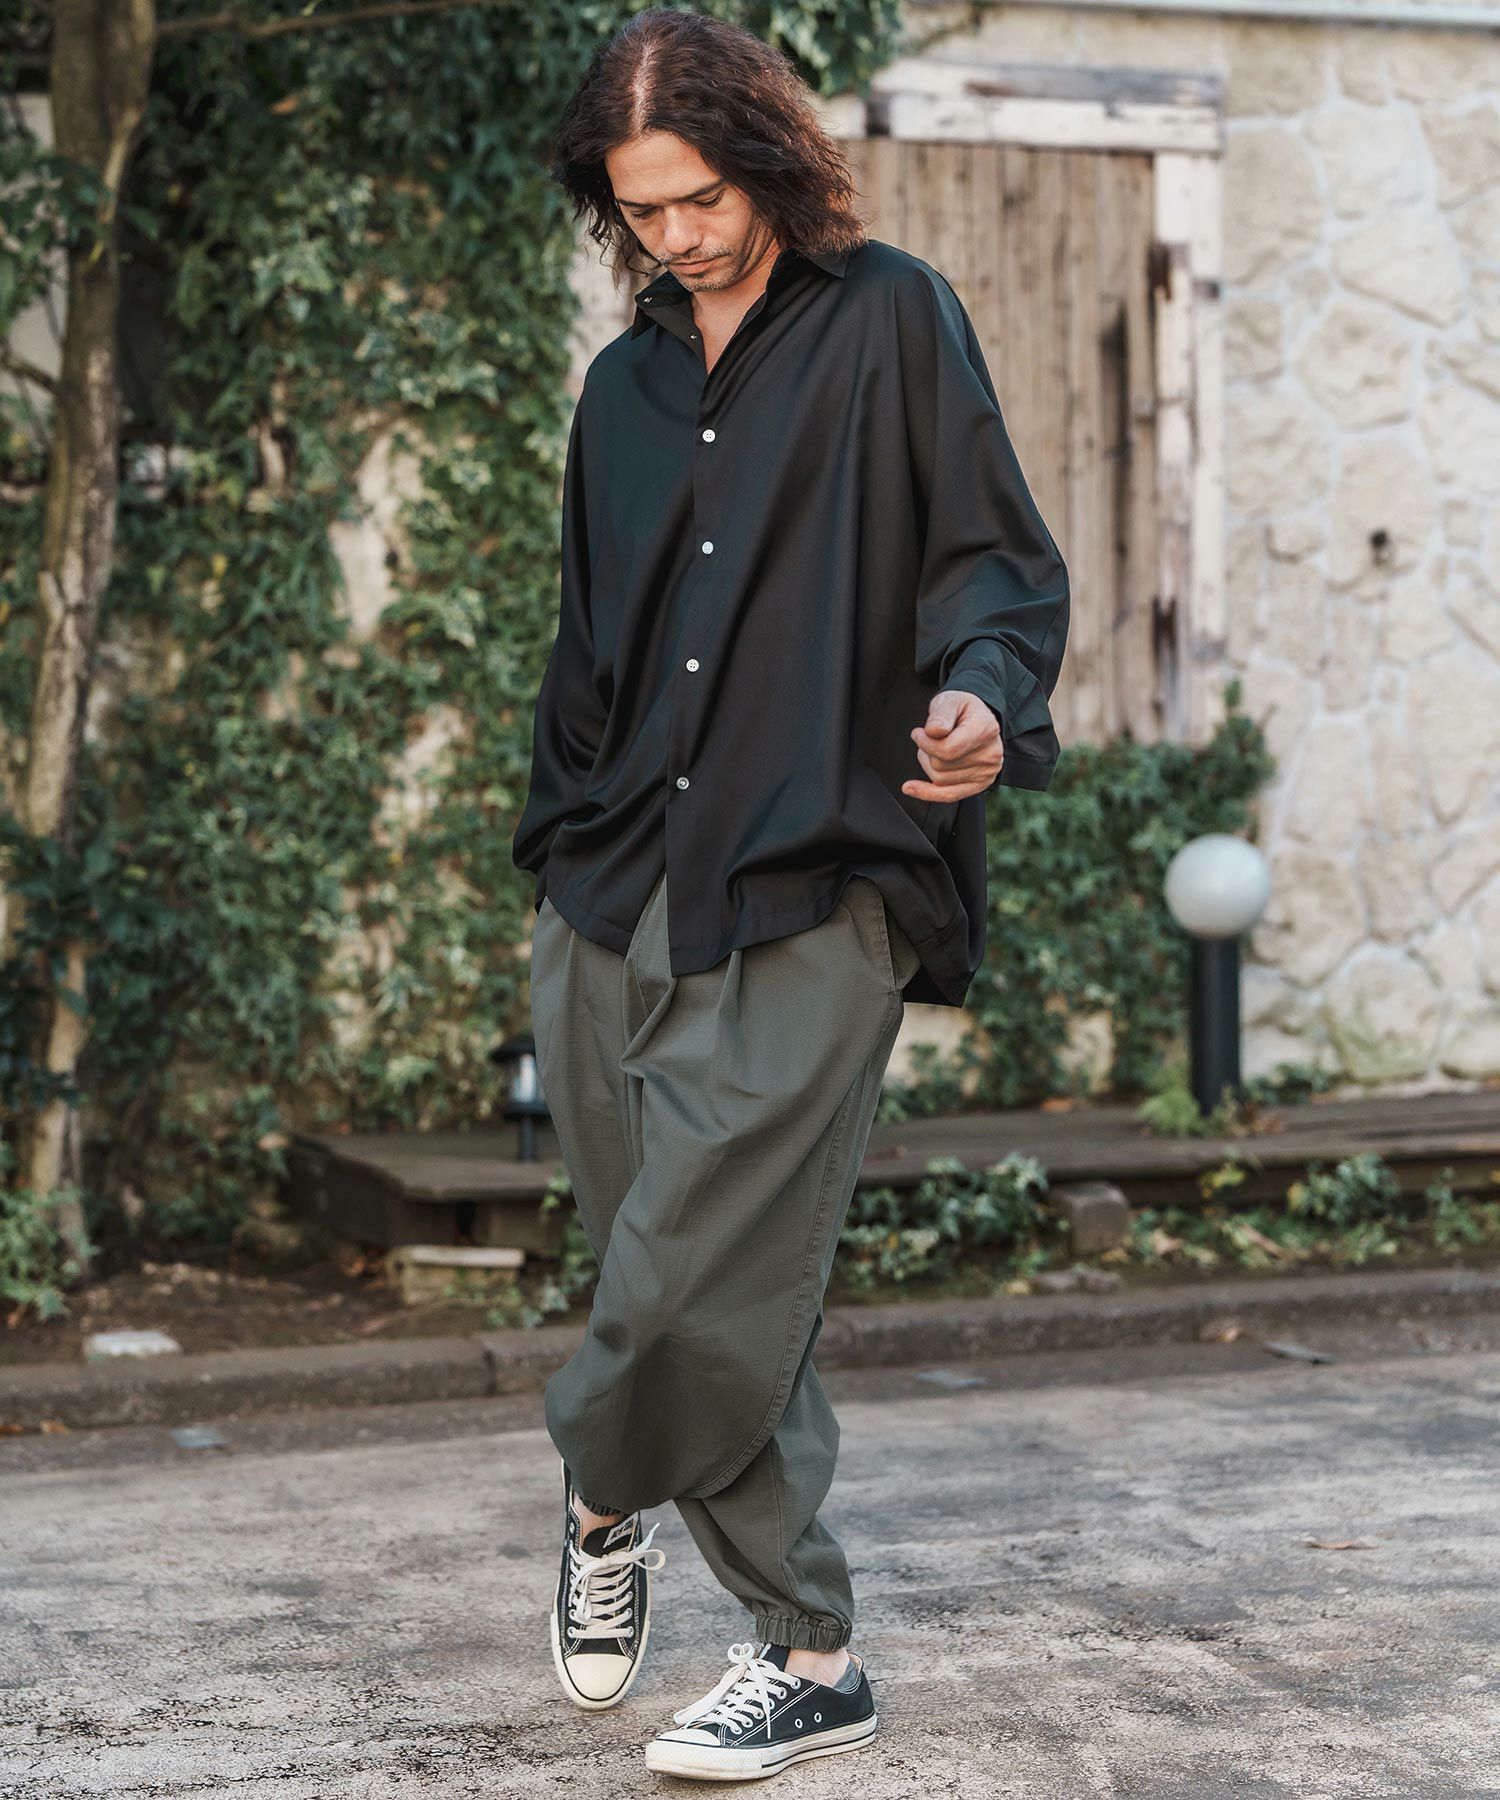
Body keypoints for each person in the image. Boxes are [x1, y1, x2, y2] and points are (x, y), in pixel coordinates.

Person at [511, 6, 1069, 1781]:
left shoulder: (890, 318)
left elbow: (996, 557)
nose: (678, 234)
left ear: (765, 155)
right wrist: (556, 861)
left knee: (692, 1288)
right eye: (641, 208)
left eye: (701, 195)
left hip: (817, 874)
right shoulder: (623, 390)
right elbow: (589, 649)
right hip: (613, 886)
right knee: (698, 1280)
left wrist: (982, 698)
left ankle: (616, 1504)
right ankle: (797, 1647)